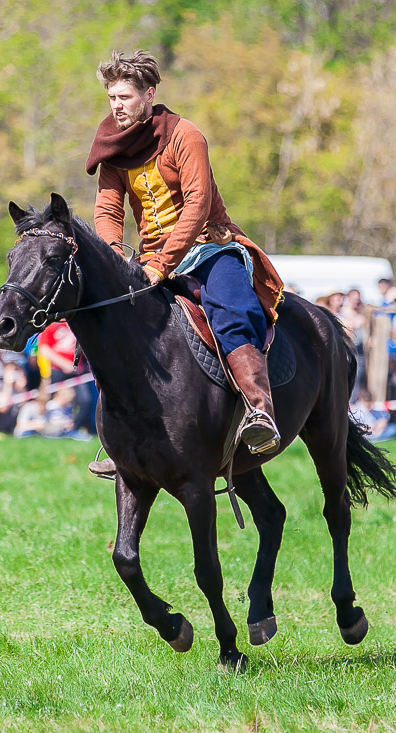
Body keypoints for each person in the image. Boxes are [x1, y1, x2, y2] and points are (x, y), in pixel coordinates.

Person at [86, 50, 285, 466]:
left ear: (149, 94)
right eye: (111, 97)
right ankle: (121, 437)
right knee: (111, 320)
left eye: (124, 97)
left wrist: (162, 264)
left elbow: (197, 205)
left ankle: (259, 410)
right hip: (149, 257)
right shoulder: (112, 144)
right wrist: (114, 258)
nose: (116, 105)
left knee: (232, 310)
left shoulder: (185, 135)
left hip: (209, 247)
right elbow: (107, 211)